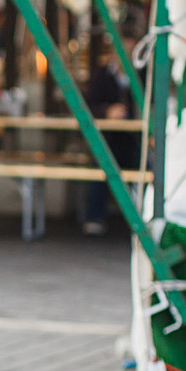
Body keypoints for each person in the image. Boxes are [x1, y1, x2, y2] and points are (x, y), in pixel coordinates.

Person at [81, 30, 135, 236]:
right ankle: (95, 216)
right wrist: (107, 111)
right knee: (101, 169)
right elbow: (87, 106)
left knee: (145, 168)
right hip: (108, 138)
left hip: (133, 139)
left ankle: (140, 217)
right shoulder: (101, 75)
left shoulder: (141, 75)